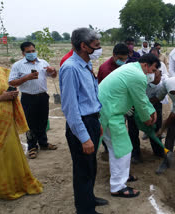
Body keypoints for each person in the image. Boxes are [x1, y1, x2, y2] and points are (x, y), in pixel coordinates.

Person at [59, 28, 107, 214]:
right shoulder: (71, 68)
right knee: (82, 169)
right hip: (81, 124)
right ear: (83, 46)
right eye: (96, 46)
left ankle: (89, 198)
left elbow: (90, 99)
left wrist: (98, 123)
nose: (99, 49)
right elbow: (70, 108)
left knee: (91, 165)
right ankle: (85, 209)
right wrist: (83, 136)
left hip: (92, 121)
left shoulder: (85, 65)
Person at [98, 54, 159, 198]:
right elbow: (139, 101)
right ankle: (118, 186)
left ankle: (121, 176)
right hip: (110, 113)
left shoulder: (131, 69)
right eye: (153, 69)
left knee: (116, 148)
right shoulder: (138, 75)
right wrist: (147, 118)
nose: (153, 73)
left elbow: (140, 97)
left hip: (107, 109)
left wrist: (152, 110)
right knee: (122, 149)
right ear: (146, 65)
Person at [0, 66, 43, 200]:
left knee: (10, 153)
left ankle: (14, 185)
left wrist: (11, 94)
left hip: (6, 121)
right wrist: (1, 97)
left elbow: (12, 83)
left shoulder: (1, 70)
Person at [8, 42, 58, 159]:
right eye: (28, 52)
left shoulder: (43, 63)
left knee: (43, 121)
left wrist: (53, 71)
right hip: (28, 97)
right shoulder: (18, 65)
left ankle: (43, 143)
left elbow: (53, 76)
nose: (31, 53)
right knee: (30, 124)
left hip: (42, 96)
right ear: (23, 53)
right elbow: (11, 82)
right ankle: (32, 147)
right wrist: (26, 77)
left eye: (33, 51)